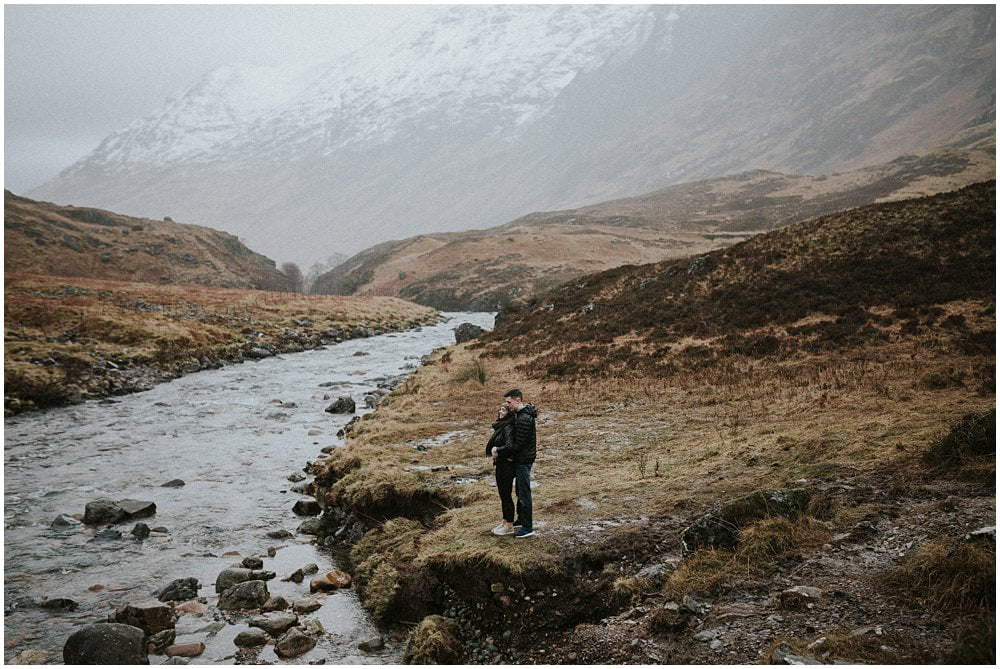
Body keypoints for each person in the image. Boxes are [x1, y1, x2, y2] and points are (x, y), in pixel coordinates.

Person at [492, 388, 537, 538]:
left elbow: (518, 445)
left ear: (518, 400)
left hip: (524, 461)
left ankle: (528, 527)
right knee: (519, 492)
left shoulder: (524, 418)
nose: (507, 404)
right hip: (520, 460)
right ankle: (521, 519)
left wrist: (499, 450)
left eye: (509, 401)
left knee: (524, 493)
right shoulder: (520, 415)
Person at [486, 404, 517, 535]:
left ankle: (509, 525)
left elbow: (510, 446)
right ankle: (505, 521)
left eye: (503, 410)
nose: (500, 411)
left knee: (506, 495)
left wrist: (497, 450)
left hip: (507, 465)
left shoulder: (508, 426)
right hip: (501, 464)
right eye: (500, 409)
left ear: (509, 413)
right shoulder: (502, 426)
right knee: (503, 494)